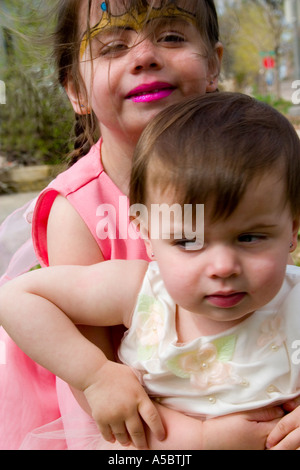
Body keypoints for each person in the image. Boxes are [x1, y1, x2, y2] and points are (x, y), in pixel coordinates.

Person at [1, 92, 300, 450]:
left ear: (292, 231)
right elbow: (18, 296)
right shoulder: (142, 292)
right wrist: (95, 375)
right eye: (188, 241)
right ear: (145, 231)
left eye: (250, 237)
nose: (223, 267)